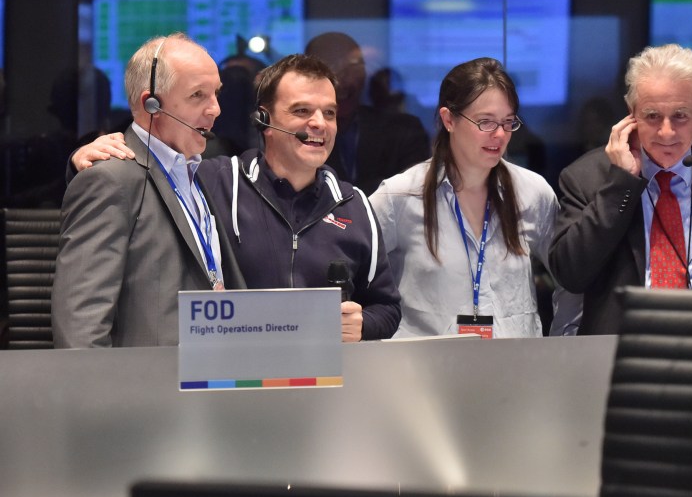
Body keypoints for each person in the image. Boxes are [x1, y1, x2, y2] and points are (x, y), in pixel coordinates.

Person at [71, 54, 401, 342]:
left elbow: (386, 308)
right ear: (264, 120)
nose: (319, 124)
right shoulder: (212, 181)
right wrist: (84, 159)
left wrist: (362, 326)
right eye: (302, 110)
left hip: (322, 381)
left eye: (329, 113)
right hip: (230, 377)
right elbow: (138, 182)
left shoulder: (353, 203)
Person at [549, 43, 692, 335]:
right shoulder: (587, 178)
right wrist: (622, 183)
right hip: (630, 351)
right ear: (631, 115)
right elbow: (571, 274)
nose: (667, 132)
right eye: (652, 116)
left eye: (680, 116)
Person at [52, 33, 246, 348]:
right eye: (198, 95)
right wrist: (93, 395)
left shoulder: (198, 172)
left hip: (206, 378)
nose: (216, 109)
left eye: (216, 94)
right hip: (147, 388)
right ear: (151, 104)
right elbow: (80, 326)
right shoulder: (110, 179)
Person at [369, 57, 580, 339]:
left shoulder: (532, 192)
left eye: (508, 122)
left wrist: (562, 342)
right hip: (424, 374)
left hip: (514, 371)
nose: (500, 135)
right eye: (486, 122)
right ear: (448, 120)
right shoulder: (401, 196)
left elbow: (573, 275)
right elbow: (355, 279)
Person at [305, 32, 430, 195]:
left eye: (352, 67)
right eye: (330, 68)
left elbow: (412, 196)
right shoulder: (294, 133)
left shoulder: (404, 130)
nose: (342, 79)